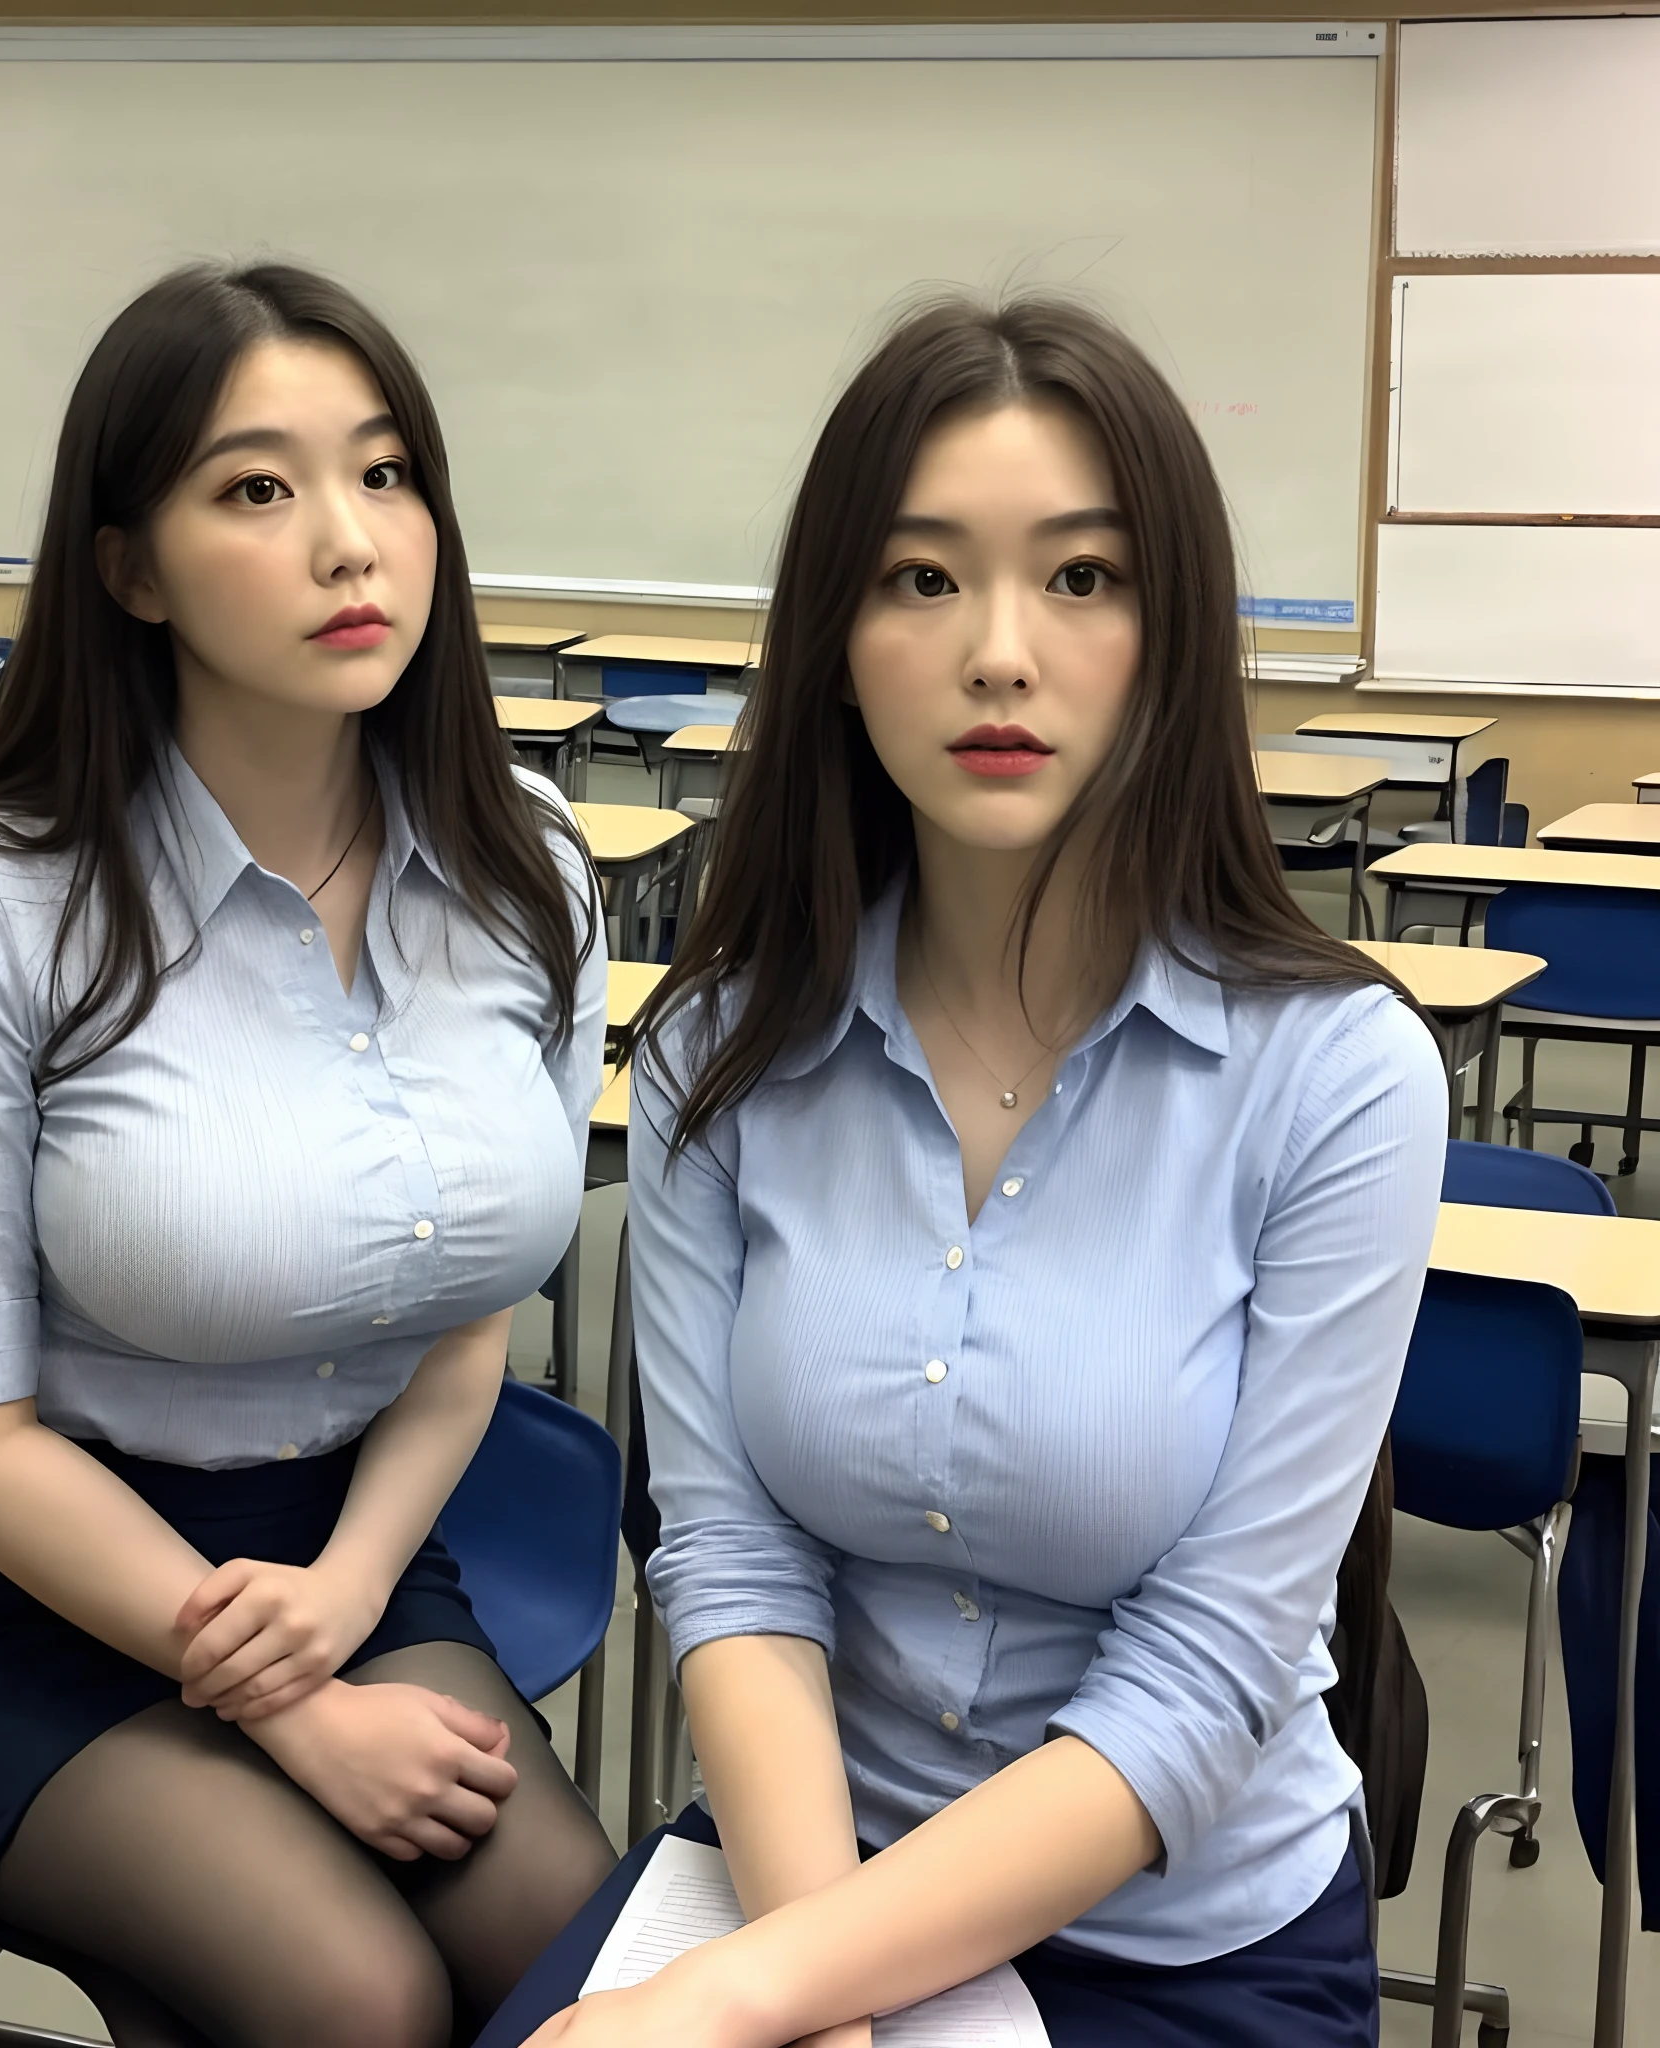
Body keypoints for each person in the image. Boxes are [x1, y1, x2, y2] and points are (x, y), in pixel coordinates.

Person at [495, 296, 1447, 2048]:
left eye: (1082, 579)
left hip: (1185, 1945)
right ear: (835, 640)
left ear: (1171, 635)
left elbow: (1212, 1668)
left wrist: (759, 2002)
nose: (999, 652)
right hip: (806, 1860)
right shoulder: (722, 1054)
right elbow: (733, 1558)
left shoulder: (1338, 1079)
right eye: (922, 579)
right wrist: (822, 1987)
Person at [0, 260, 616, 2048]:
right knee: (358, 1998)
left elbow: (466, 1319)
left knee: (593, 1980)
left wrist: (340, 1605)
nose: (351, 543)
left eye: (387, 473)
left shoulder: (530, 871)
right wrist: (293, 1707)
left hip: (350, 1557)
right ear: (130, 565)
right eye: (258, 489)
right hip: (31, 1600)